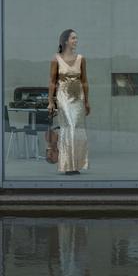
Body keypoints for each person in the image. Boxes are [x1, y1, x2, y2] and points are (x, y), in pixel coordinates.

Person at [50, 28, 90, 174]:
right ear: (66, 41)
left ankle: (76, 165)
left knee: (78, 130)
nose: (76, 41)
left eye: (76, 38)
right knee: (69, 128)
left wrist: (86, 101)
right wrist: (50, 101)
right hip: (63, 97)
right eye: (73, 38)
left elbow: (84, 81)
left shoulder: (81, 59)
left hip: (78, 97)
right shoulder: (56, 59)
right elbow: (52, 82)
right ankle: (67, 165)